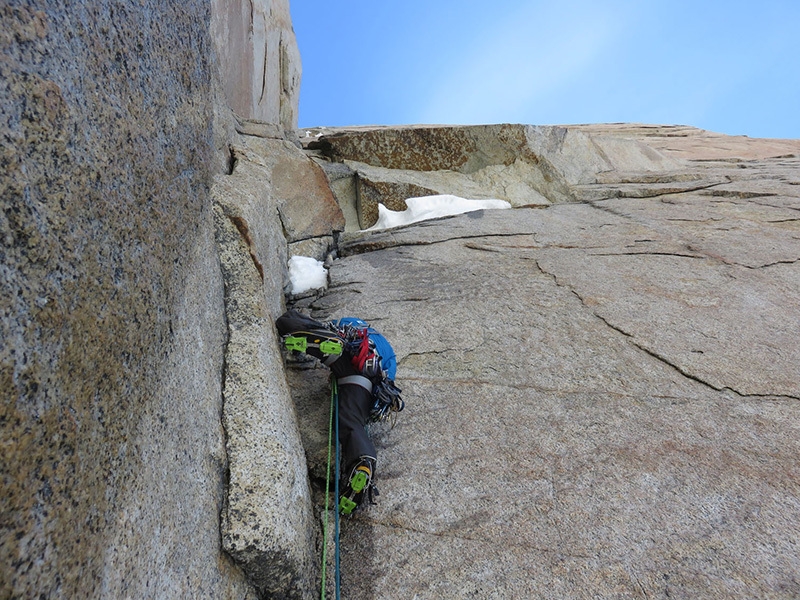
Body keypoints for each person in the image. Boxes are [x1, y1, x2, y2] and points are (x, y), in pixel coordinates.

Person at [275, 309, 403, 514]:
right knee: (351, 421)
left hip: (352, 345)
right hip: (370, 374)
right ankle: (362, 462)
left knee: (286, 322)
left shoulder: (352, 323)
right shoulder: (390, 358)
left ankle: (329, 344)